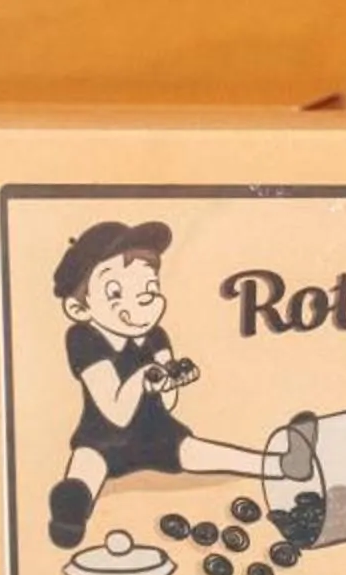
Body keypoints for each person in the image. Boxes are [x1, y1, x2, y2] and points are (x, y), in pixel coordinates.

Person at [45, 221, 302, 548]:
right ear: (78, 307)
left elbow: (168, 404)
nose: (143, 302)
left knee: (200, 451)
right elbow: (115, 412)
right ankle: (70, 515)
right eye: (115, 293)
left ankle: (279, 464)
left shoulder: (155, 336)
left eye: (149, 291)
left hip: (157, 434)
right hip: (103, 439)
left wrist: (172, 381)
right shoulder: (84, 339)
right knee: (85, 467)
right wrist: (144, 377)